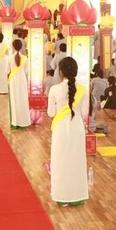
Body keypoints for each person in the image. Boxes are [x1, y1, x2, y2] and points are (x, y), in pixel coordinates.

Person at [47, 57, 88, 206]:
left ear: (61, 72)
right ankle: (77, 196)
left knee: (60, 162)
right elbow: (85, 112)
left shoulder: (54, 89)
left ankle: (61, 197)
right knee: (77, 161)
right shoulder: (83, 89)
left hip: (60, 129)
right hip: (77, 128)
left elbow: (51, 113)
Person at [7, 40, 30, 129]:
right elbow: (26, 71)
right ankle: (24, 121)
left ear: (13, 47)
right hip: (22, 80)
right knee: (23, 99)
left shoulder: (10, 58)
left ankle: (15, 122)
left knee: (14, 100)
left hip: (13, 80)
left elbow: (7, 71)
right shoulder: (25, 58)